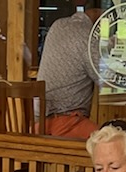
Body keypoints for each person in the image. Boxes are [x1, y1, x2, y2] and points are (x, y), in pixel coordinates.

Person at [37, 3, 101, 139]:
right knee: (108, 141)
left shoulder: (57, 25)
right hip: (66, 121)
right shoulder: (87, 35)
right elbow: (105, 78)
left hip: (38, 122)